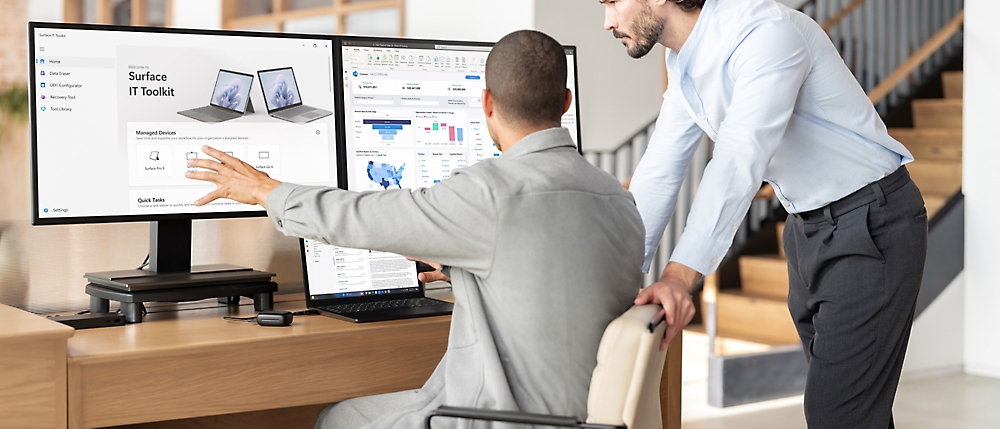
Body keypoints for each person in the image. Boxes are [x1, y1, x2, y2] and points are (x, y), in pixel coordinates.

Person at [185, 30, 645, 429]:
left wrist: (266, 190)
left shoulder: (490, 193)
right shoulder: (620, 201)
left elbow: (359, 215)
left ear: (486, 102)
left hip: (500, 418)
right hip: (580, 416)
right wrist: (470, 269)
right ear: (566, 102)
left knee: (338, 418)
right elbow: (567, 285)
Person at [601, 0, 927, 428]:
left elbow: (739, 160)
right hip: (805, 228)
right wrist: (615, 280)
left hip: (870, 222)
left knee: (838, 414)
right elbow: (661, 168)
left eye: (611, 2)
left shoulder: (766, 33)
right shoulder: (683, 59)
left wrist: (679, 278)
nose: (607, 22)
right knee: (856, 411)